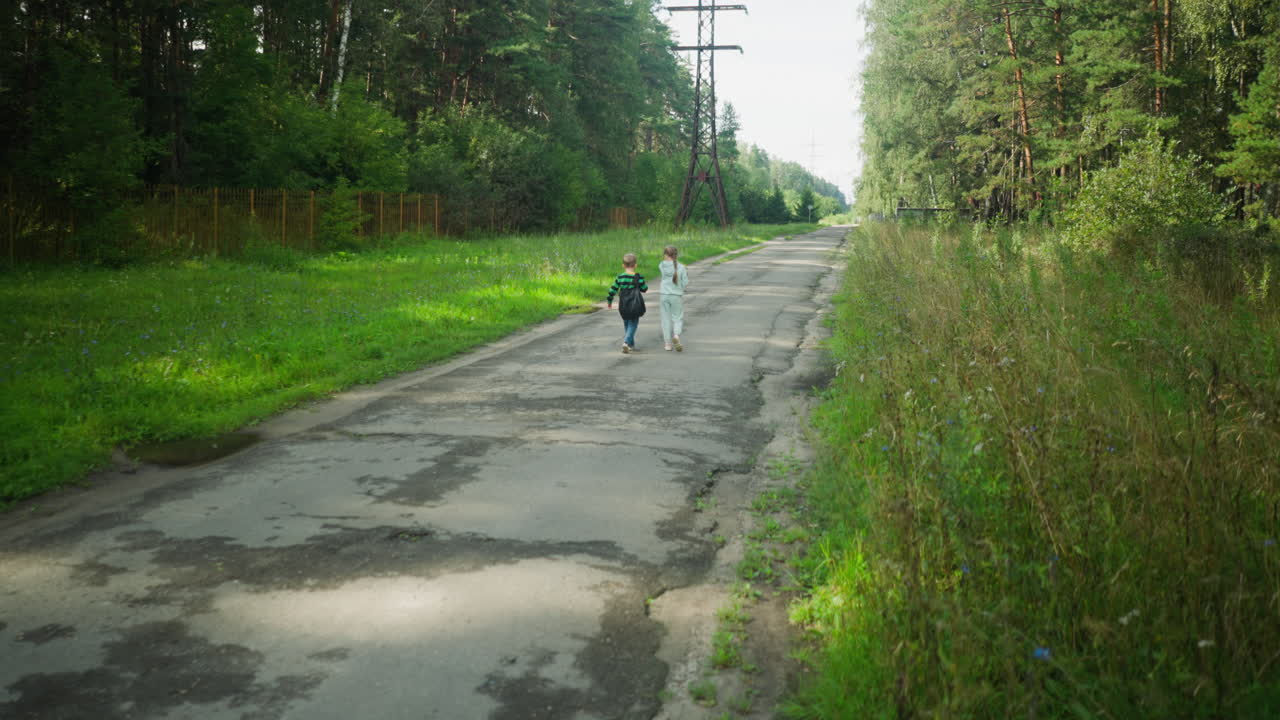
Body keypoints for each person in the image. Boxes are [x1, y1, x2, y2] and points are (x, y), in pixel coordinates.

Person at [606, 252, 648, 354]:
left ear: (623, 265)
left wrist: (609, 301)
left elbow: (613, 290)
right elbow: (644, 289)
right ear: (635, 265)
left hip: (623, 305)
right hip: (635, 304)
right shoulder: (639, 277)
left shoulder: (620, 277)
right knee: (633, 324)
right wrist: (640, 285)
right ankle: (626, 342)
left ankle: (630, 345)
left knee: (627, 323)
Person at [658, 245, 689, 352]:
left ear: (665, 255)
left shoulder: (661, 265)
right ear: (676, 255)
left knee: (665, 319)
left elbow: (664, 272)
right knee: (677, 317)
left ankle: (667, 344)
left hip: (664, 295)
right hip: (676, 295)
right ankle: (676, 335)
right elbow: (685, 283)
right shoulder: (681, 267)